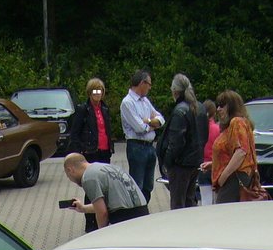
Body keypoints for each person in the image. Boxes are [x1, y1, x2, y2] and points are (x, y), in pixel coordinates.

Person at [157, 73, 205, 210]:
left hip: (180, 165)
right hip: (195, 162)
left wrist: (167, 162)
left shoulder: (180, 111)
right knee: (190, 201)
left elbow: (176, 142)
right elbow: (204, 135)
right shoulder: (200, 107)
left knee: (178, 205)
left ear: (175, 91)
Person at [63, 153, 148, 228]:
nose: (71, 179)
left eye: (68, 176)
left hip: (124, 217)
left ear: (70, 170)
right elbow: (105, 206)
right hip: (142, 211)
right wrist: (83, 208)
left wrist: (102, 235)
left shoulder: (88, 178)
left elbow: (102, 213)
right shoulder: (104, 167)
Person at [120, 70, 165, 203]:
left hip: (149, 146)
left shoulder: (145, 101)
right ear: (142, 83)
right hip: (136, 147)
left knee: (148, 186)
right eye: (149, 84)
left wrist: (148, 121)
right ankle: (137, 210)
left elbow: (161, 119)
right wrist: (152, 124)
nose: (150, 87)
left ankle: (144, 207)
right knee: (137, 185)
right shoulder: (127, 102)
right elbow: (139, 128)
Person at [206, 90, 258, 204]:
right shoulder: (237, 124)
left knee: (223, 211)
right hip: (236, 176)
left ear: (232, 106)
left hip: (235, 177)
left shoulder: (237, 122)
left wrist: (223, 177)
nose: (218, 109)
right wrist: (214, 164)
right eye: (218, 106)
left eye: (222, 106)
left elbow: (241, 152)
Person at [67, 78, 114, 163]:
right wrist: (81, 150)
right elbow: (74, 133)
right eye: (95, 91)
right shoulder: (83, 109)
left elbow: (108, 130)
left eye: (99, 91)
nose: (97, 94)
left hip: (105, 151)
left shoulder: (105, 109)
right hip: (90, 152)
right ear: (90, 92)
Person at [199, 98, 220, 205]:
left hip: (202, 166)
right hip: (215, 166)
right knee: (217, 200)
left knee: (205, 199)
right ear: (214, 113)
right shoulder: (218, 129)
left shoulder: (198, 129)